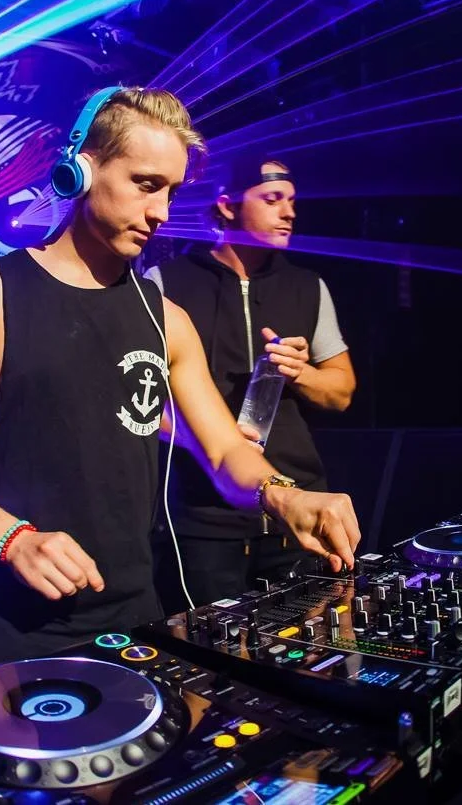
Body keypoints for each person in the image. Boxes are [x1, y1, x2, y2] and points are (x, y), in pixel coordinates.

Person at [0, 88, 360, 665]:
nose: (161, 211)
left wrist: (285, 496)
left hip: (136, 611)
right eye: (145, 184)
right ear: (80, 170)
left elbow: (224, 450)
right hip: (17, 621)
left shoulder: (167, 319)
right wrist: (12, 538)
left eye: (171, 191)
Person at [144, 157, 357, 608]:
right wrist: (205, 439)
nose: (289, 212)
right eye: (273, 199)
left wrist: (301, 372)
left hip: (298, 508)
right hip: (203, 518)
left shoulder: (307, 286)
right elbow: (139, 401)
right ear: (227, 206)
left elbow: (341, 393)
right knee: (210, 649)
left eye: (292, 201)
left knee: (308, 641)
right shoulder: (167, 282)